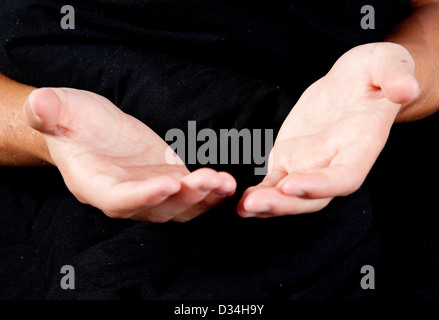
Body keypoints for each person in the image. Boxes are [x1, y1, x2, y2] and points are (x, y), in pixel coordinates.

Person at [0, 0, 438, 299]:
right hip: (50, 213)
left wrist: (394, 82)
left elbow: (429, 11)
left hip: (362, 177)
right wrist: (45, 133)